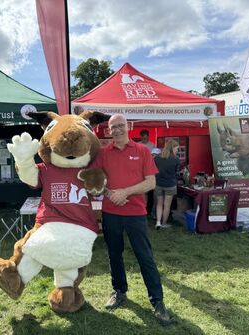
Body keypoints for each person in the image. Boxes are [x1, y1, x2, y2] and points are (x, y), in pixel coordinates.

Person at [92, 114, 171, 325]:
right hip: (111, 213)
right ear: (108, 130)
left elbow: (151, 182)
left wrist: (125, 192)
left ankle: (158, 301)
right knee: (114, 254)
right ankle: (119, 291)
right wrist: (110, 194)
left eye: (120, 126)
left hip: (136, 214)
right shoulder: (103, 153)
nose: (116, 130)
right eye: (112, 127)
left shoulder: (142, 151)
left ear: (128, 127)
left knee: (145, 257)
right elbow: (95, 180)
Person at [154, 140, 180, 229]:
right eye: (177, 148)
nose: (177, 150)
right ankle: (164, 223)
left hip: (158, 184)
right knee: (167, 205)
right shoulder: (176, 159)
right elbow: (177, 173)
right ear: (172, 148)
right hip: (170, 184)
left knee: (159, 204)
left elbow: (154, 171)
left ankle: (158, 222)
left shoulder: (157, 158)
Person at [139, 129, 156, 216]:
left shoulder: (152, 145)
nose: (145, 139)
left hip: (150, 169)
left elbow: (155, 156)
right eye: (143, 138)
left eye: (146, 138)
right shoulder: (138, 145)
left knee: (150, 191)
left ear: (148, 136)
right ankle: (143, 208)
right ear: (141, 137)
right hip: (140, 170)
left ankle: (148, 209)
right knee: (143, 191)